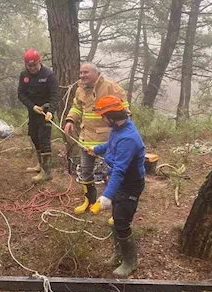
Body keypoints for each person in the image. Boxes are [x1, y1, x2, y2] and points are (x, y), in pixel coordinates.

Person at [86, 95, 145, 277]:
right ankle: (119, 254)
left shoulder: (129, 138)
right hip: (120, 181)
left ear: (111, 114)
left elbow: (120, 170)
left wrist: (106, 196)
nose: (102, 120)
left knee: (122, 221)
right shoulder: (119, 128)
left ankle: (130, 261)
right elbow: (111, 144)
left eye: (103, 116)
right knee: (115, 218)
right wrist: (96, 149)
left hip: (130, 184)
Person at [63, 62, 129, 215]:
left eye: (85, 72)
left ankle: (116, 208)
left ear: (96, 73)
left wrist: (122, 134)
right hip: (86, 139)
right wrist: (70, 120)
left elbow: (125, 111)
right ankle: (89, 200)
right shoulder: (80, 89)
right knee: (85, 172)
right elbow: (77, 107)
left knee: (112, 174)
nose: (82, 76)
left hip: (107, 141)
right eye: (80, 73)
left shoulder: (111, 87)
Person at [17, 49, 60, 183]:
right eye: (29, 66)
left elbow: (55, 95)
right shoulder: (24, 75)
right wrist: (32, 106)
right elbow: (21, 94)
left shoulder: (49, 75)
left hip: (46, 112)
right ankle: (40, 165)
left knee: (44, 139)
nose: (32, 68)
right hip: (33, 111)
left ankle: (47, 172)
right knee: (34, 136)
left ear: (39, 62)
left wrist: (51, 111)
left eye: (34, 65)